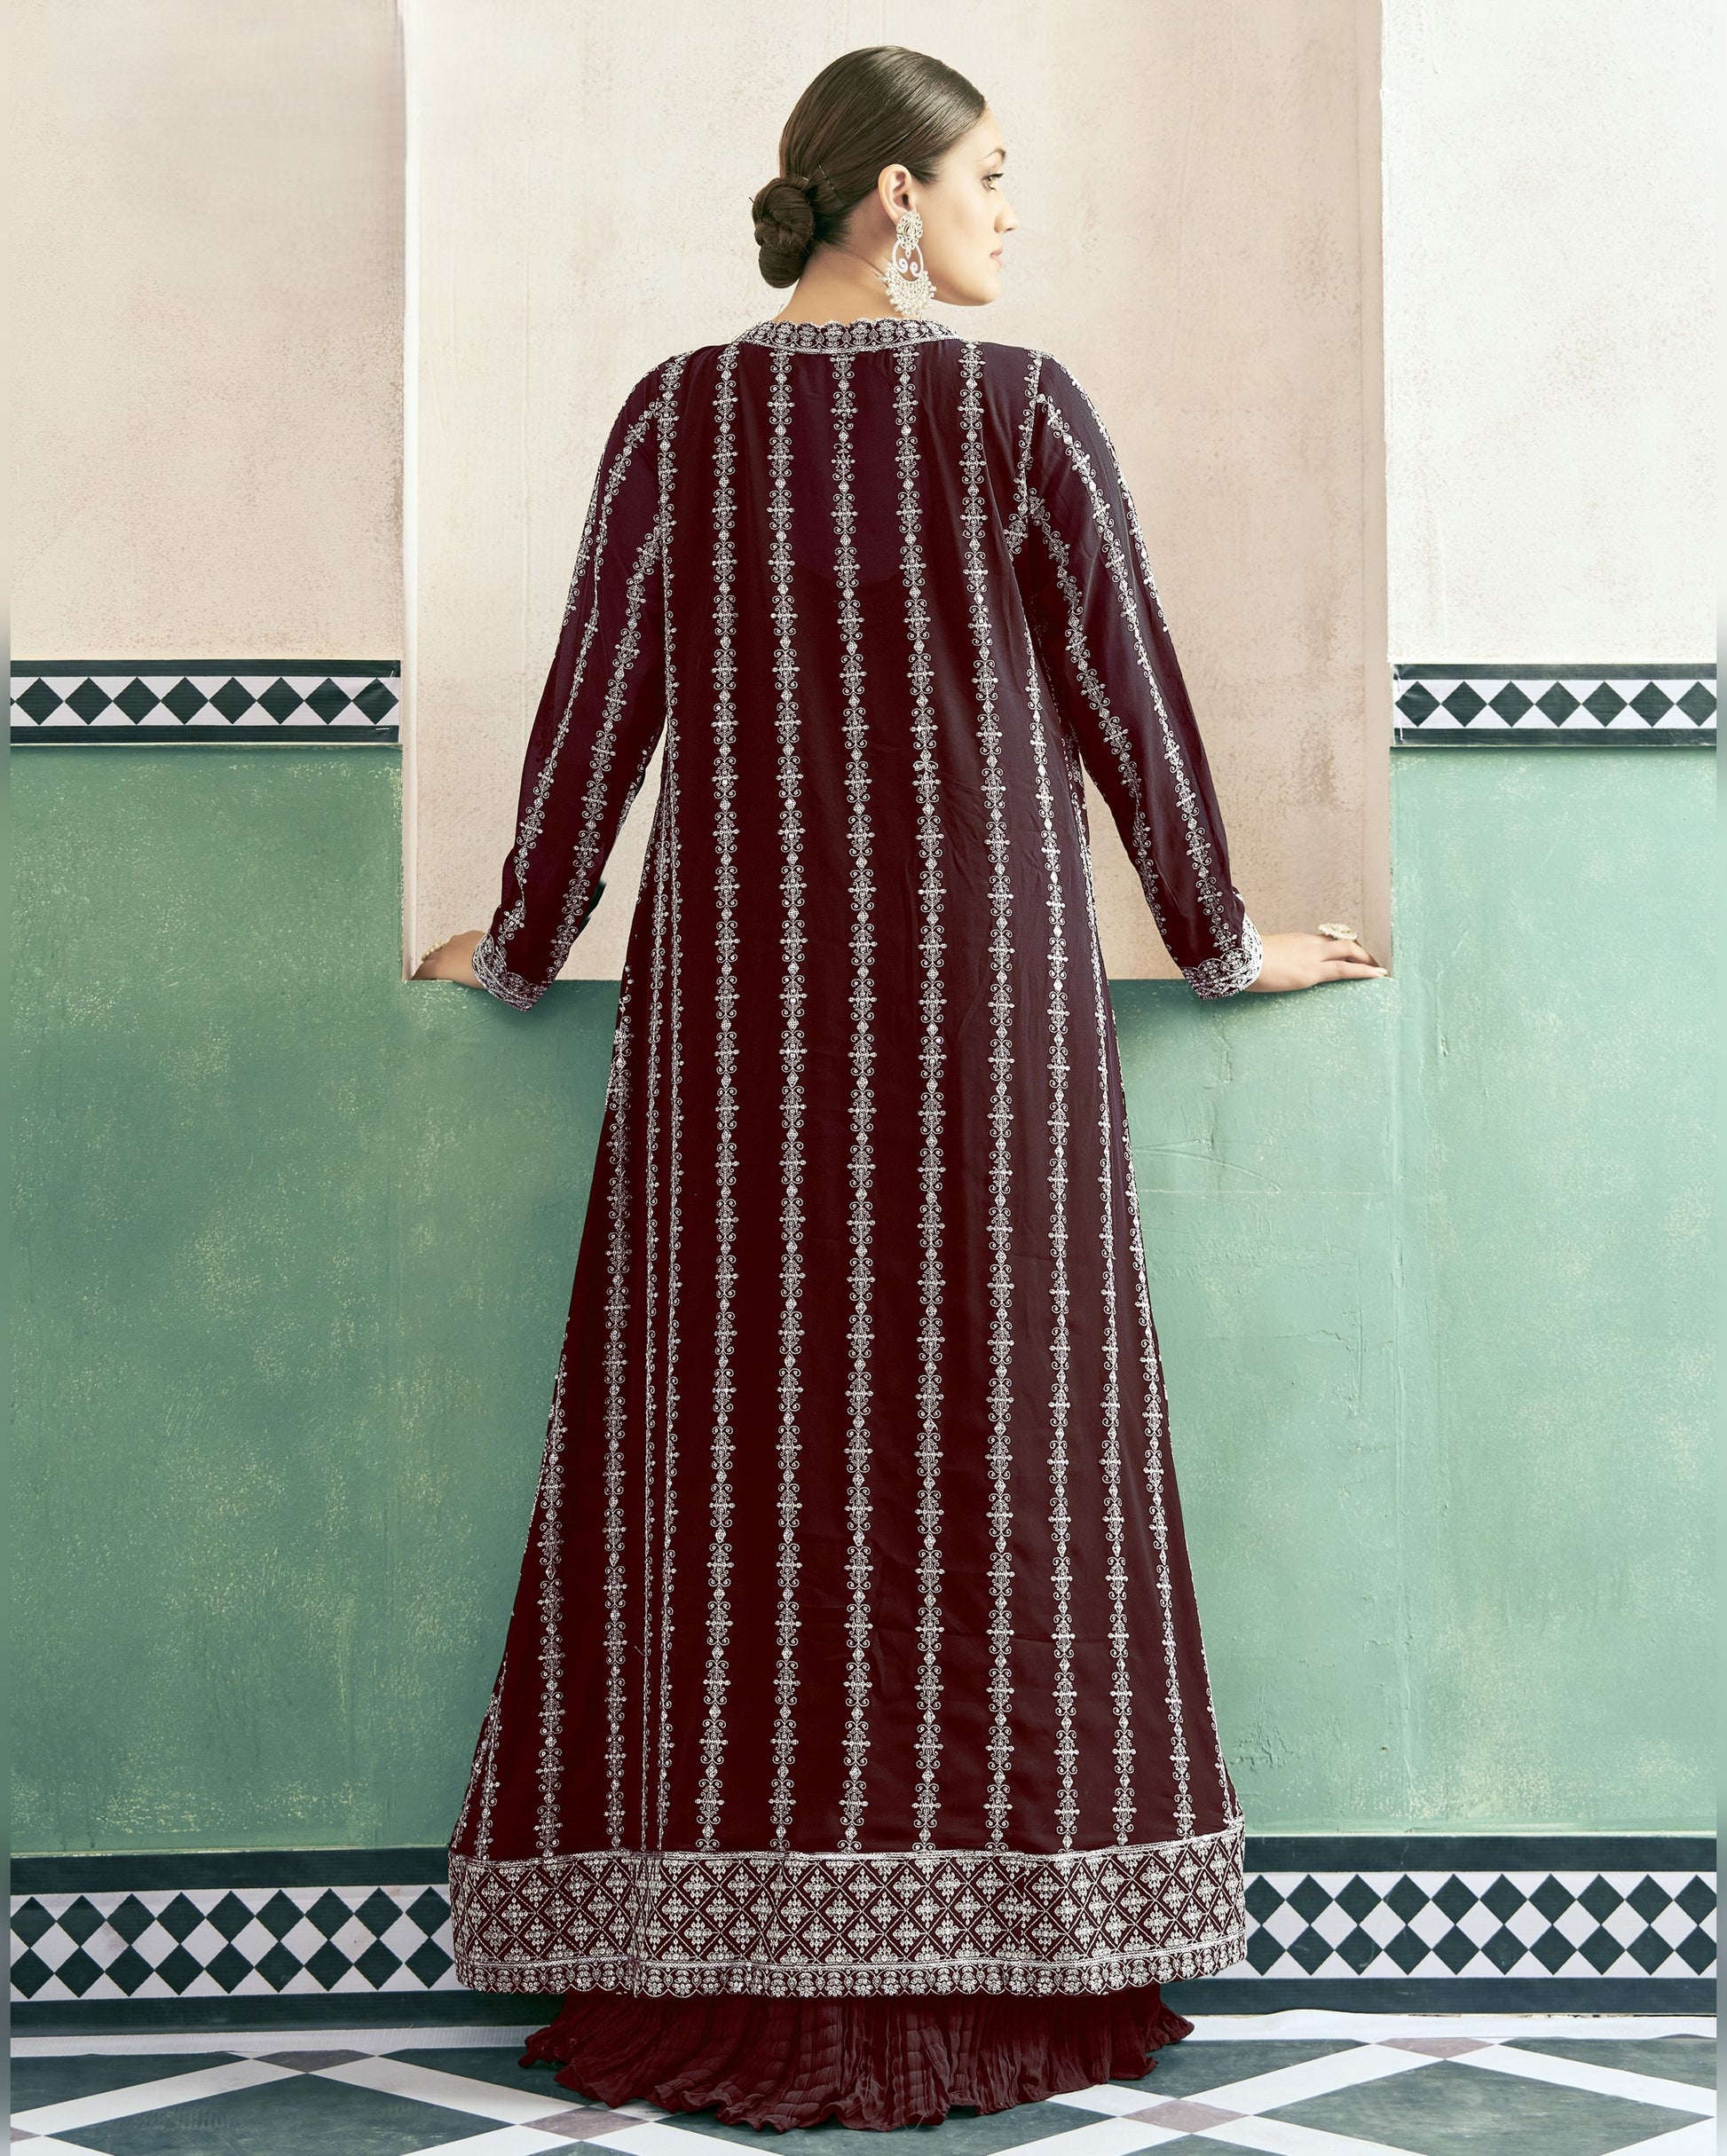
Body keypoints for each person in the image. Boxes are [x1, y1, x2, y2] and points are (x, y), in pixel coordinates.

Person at [415, 43, 1386, 2133]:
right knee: (996, 1447)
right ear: (887, 203)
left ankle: (723, 1941)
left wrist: (516, 939)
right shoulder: (1018, 409)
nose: (1010, 217)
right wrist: (1225, 942)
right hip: (989, 1009)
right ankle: (1015, 1952)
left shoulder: (680, 418)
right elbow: (1131, 690)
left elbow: (604, 701)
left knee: (738, 1453)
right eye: (993, 180)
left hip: (738, 1019)